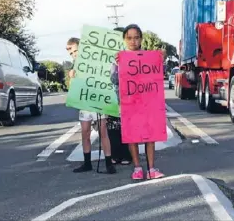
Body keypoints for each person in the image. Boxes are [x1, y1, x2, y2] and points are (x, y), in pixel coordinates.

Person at [110, 24, 165, 180]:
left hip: (147, 102)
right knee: (132, 135)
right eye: (129, 38)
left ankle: (152, 168)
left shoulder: (150, 57)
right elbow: (114, 80)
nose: (133, 41)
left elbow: (159, 77)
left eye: (136, 37)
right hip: (129, 103)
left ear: (141, 39)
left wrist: (163, 59)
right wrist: (117, 66)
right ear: (124, 39)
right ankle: (137, 168)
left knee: (150, 135)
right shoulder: (119, 58)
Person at [66, 37, 116, 174]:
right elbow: (73, 88)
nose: (74, 54)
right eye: (71, 53)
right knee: (85, 132)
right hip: (85, 103)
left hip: (98, 101)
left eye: (75, 50)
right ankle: (87, 163)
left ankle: (108, 163)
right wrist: (72, 78)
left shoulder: (94, 61)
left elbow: (106, 77)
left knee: (103, 131)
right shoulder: (75, 66)